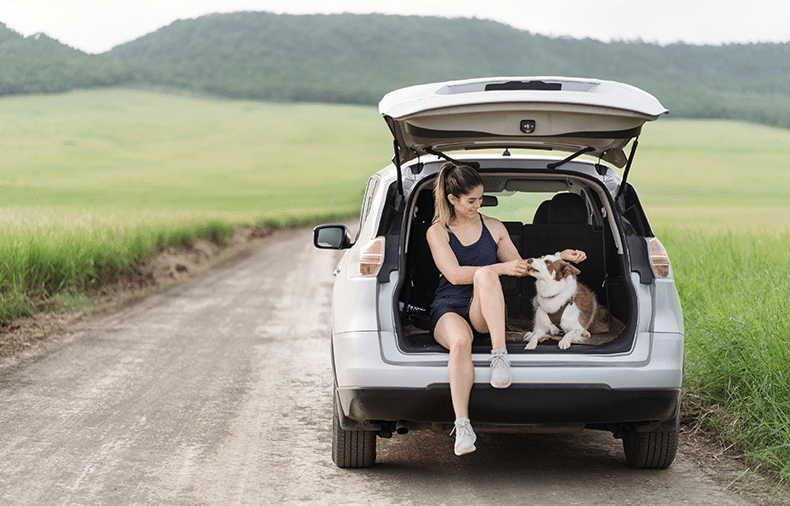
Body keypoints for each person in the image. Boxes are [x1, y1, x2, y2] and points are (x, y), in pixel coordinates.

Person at [426, 162, 586, 456]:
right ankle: (462, 427)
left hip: (481, 309)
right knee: (460, 342)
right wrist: (501, 268)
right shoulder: (437, 232)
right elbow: (454, 274)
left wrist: (558, 256)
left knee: (486, 276)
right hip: (448, 306)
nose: (478, 205)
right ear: (452, 200)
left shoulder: (494, 227)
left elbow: (523, 267)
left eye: (481, 199)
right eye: (471, 201)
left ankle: (499, 356)